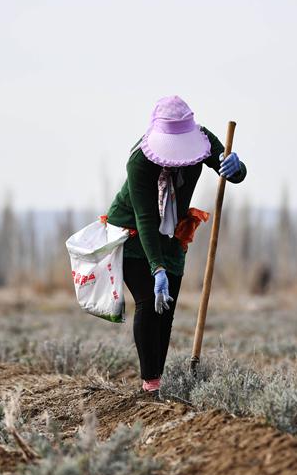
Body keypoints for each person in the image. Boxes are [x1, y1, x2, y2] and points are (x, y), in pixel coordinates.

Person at [106, 96, 247, 397]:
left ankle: (156, 383)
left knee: (166, 312)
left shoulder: (204, 141)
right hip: (132, 232)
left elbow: (230, 172)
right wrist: (156, 268)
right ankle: (150, 386)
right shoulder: (139, 161)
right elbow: (145, 219)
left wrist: (237, 168)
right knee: (148, 301)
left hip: (172, 230)